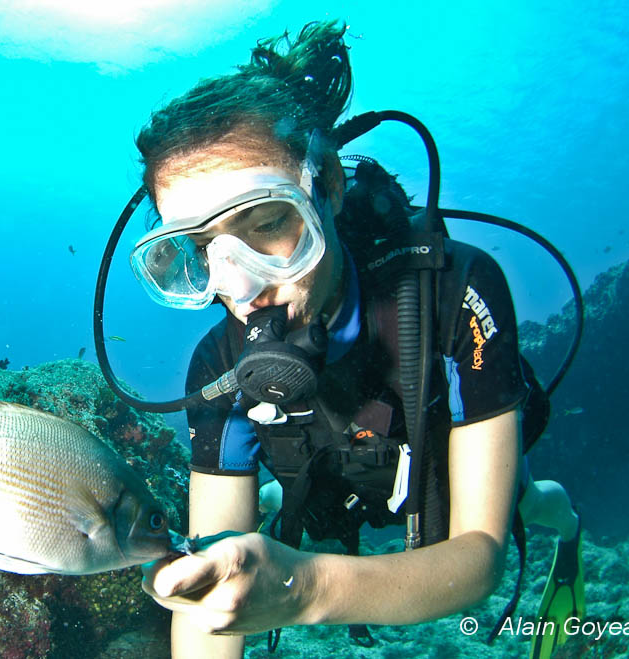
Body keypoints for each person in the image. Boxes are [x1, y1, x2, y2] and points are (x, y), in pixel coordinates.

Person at [125, 21, 583, 658]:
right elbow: (207, 610)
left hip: (442, 460)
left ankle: (569, 528)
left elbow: (479, 560)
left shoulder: (455, 290)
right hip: (332, 474)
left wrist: (304, 589)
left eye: (266, 224)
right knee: (276, 503)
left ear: (329, 189)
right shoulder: (219, 363)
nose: (240, 287)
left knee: (524, 501)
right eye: (202, 252)